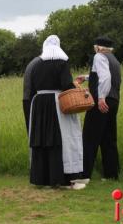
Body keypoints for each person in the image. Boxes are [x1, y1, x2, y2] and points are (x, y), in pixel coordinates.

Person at [28, 35, 84, 189]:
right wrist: (76, 85)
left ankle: (42, 179)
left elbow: (32, 87)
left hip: (39, 103)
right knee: (60, 138)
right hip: (56, 102)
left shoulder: (37, 64)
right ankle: (63, 179)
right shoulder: (62, 63)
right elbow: (66, 85)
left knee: (43, 138)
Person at [76, 36, 122, 184]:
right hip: (114, 101)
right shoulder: (113, 59)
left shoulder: (99, 56)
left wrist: (101, 97)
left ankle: (83, 175)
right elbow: (104, 74)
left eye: (95, 47)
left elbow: (105, 78)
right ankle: (111, 174)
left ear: (98, 47)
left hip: (101, 101)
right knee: (108, 138)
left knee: (89, 137)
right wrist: (86, 77)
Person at [23, 56, 41, 133]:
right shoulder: (40, 63)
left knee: (32, 131)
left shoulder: (35, 61)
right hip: (32, 99)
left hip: (27, 99)